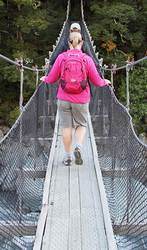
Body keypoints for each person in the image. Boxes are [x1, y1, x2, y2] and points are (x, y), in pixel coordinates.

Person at [40, 30, 110, 166]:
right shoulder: (87, 59)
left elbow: (53, 78)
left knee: (66, 128)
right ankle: (78, 146)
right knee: (81, 125)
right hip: (81, 99)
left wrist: (46, 79)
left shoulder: (61, 57)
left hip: (63, 98)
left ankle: (67, 157)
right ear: (82, 43)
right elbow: (96, 81)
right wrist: (104, 81)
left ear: (69, 43)